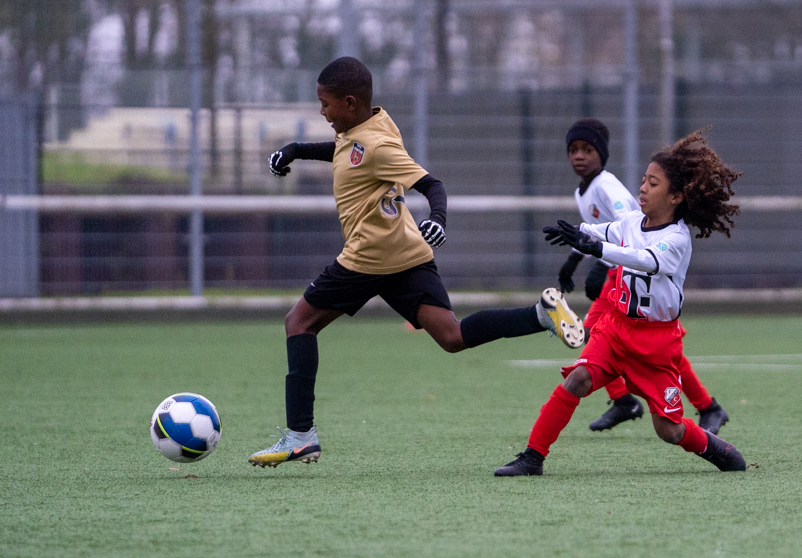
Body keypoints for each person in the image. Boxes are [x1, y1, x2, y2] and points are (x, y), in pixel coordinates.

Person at [248, 57, 585, 468]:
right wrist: (296, 150)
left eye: (325, 103)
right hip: (405, 254)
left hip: (367, 258)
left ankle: (300, 436)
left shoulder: (376, 144)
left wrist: (438, 219)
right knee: (452, 337)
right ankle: (539, 314)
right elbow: (344, 152)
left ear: (350, 103)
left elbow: (431, 184)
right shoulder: (370, 125)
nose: (322, 111)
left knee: (298, 323)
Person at [495, 129, 747, 476]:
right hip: (616, 328)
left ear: (675, 197)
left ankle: (714, 446)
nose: (642, 188)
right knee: (577, 379)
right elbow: (604, 231)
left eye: (653, 183)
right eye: (644, 180)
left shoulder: (676, 238)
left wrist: (596, 249)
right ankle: (532, 457)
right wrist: (578, 235)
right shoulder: (632, 221)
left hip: (656, 344)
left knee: (669, 430)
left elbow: (643, 258)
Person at [559, 119, 729, 434]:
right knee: (605, 338)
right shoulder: (583, 191)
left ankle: (695, 406)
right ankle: (694, 405)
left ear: (603, 154)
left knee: (609, 338)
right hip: (623, 266)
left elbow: (633, 225)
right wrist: (574, 259)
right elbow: (598, 234)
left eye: (587, 149)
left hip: (631, 269)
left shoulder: (605, 186)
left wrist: (601, 263)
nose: (579, 156)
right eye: (573, 150)